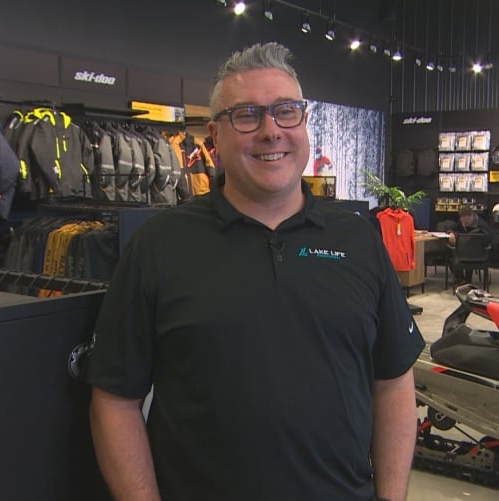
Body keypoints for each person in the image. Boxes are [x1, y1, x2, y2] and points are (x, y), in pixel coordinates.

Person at [85, 42, 425, 501]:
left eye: (286, 112)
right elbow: (115, 400)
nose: (271, 131)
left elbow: (393, 383)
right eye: (247, 115)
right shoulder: (159, 245)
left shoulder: (358, 239)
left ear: (304, 123)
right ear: (214, 136)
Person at [447, 205, 491, 285]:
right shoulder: (461, 222)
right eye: (463, 222)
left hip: (479, 254)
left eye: (467, 222)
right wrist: (451, 233)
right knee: (449, 254)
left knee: (466, 251)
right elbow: (451, 227)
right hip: (464, 252)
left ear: (472, 216)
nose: (465, 224)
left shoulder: (482, 225)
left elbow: (489, 241)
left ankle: (466, 281)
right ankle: (461, 279)